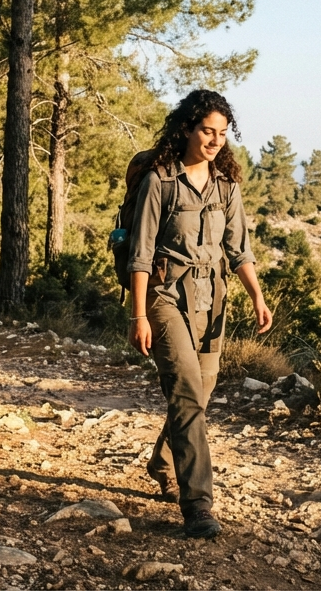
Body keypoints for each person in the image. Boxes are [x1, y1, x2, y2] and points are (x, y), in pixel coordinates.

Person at [126, 89, 273, 539]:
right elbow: (140, 254)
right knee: (188, 393)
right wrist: (138, 316)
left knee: (200, 395)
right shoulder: (160, 182)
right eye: (207, 131)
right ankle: (198, 507)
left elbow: (239, 249)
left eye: (223, 134)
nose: (215, 141)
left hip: (211, 300)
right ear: (187, 127)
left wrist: (257, 296)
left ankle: (164, 461)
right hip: (163, 298)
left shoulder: (226, 186)